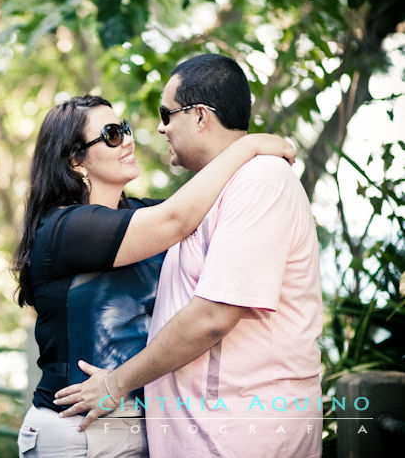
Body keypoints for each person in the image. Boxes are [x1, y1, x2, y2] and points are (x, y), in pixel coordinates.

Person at [54, 54, 323, 457]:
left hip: (243, 436)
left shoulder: (260, 181)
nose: (159, 127)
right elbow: (172, 218)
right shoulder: (206, 195)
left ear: (199, 116)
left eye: (166, 113)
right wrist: (248, 145)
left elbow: (214, 316)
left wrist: (116, 383)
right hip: (204, 436)